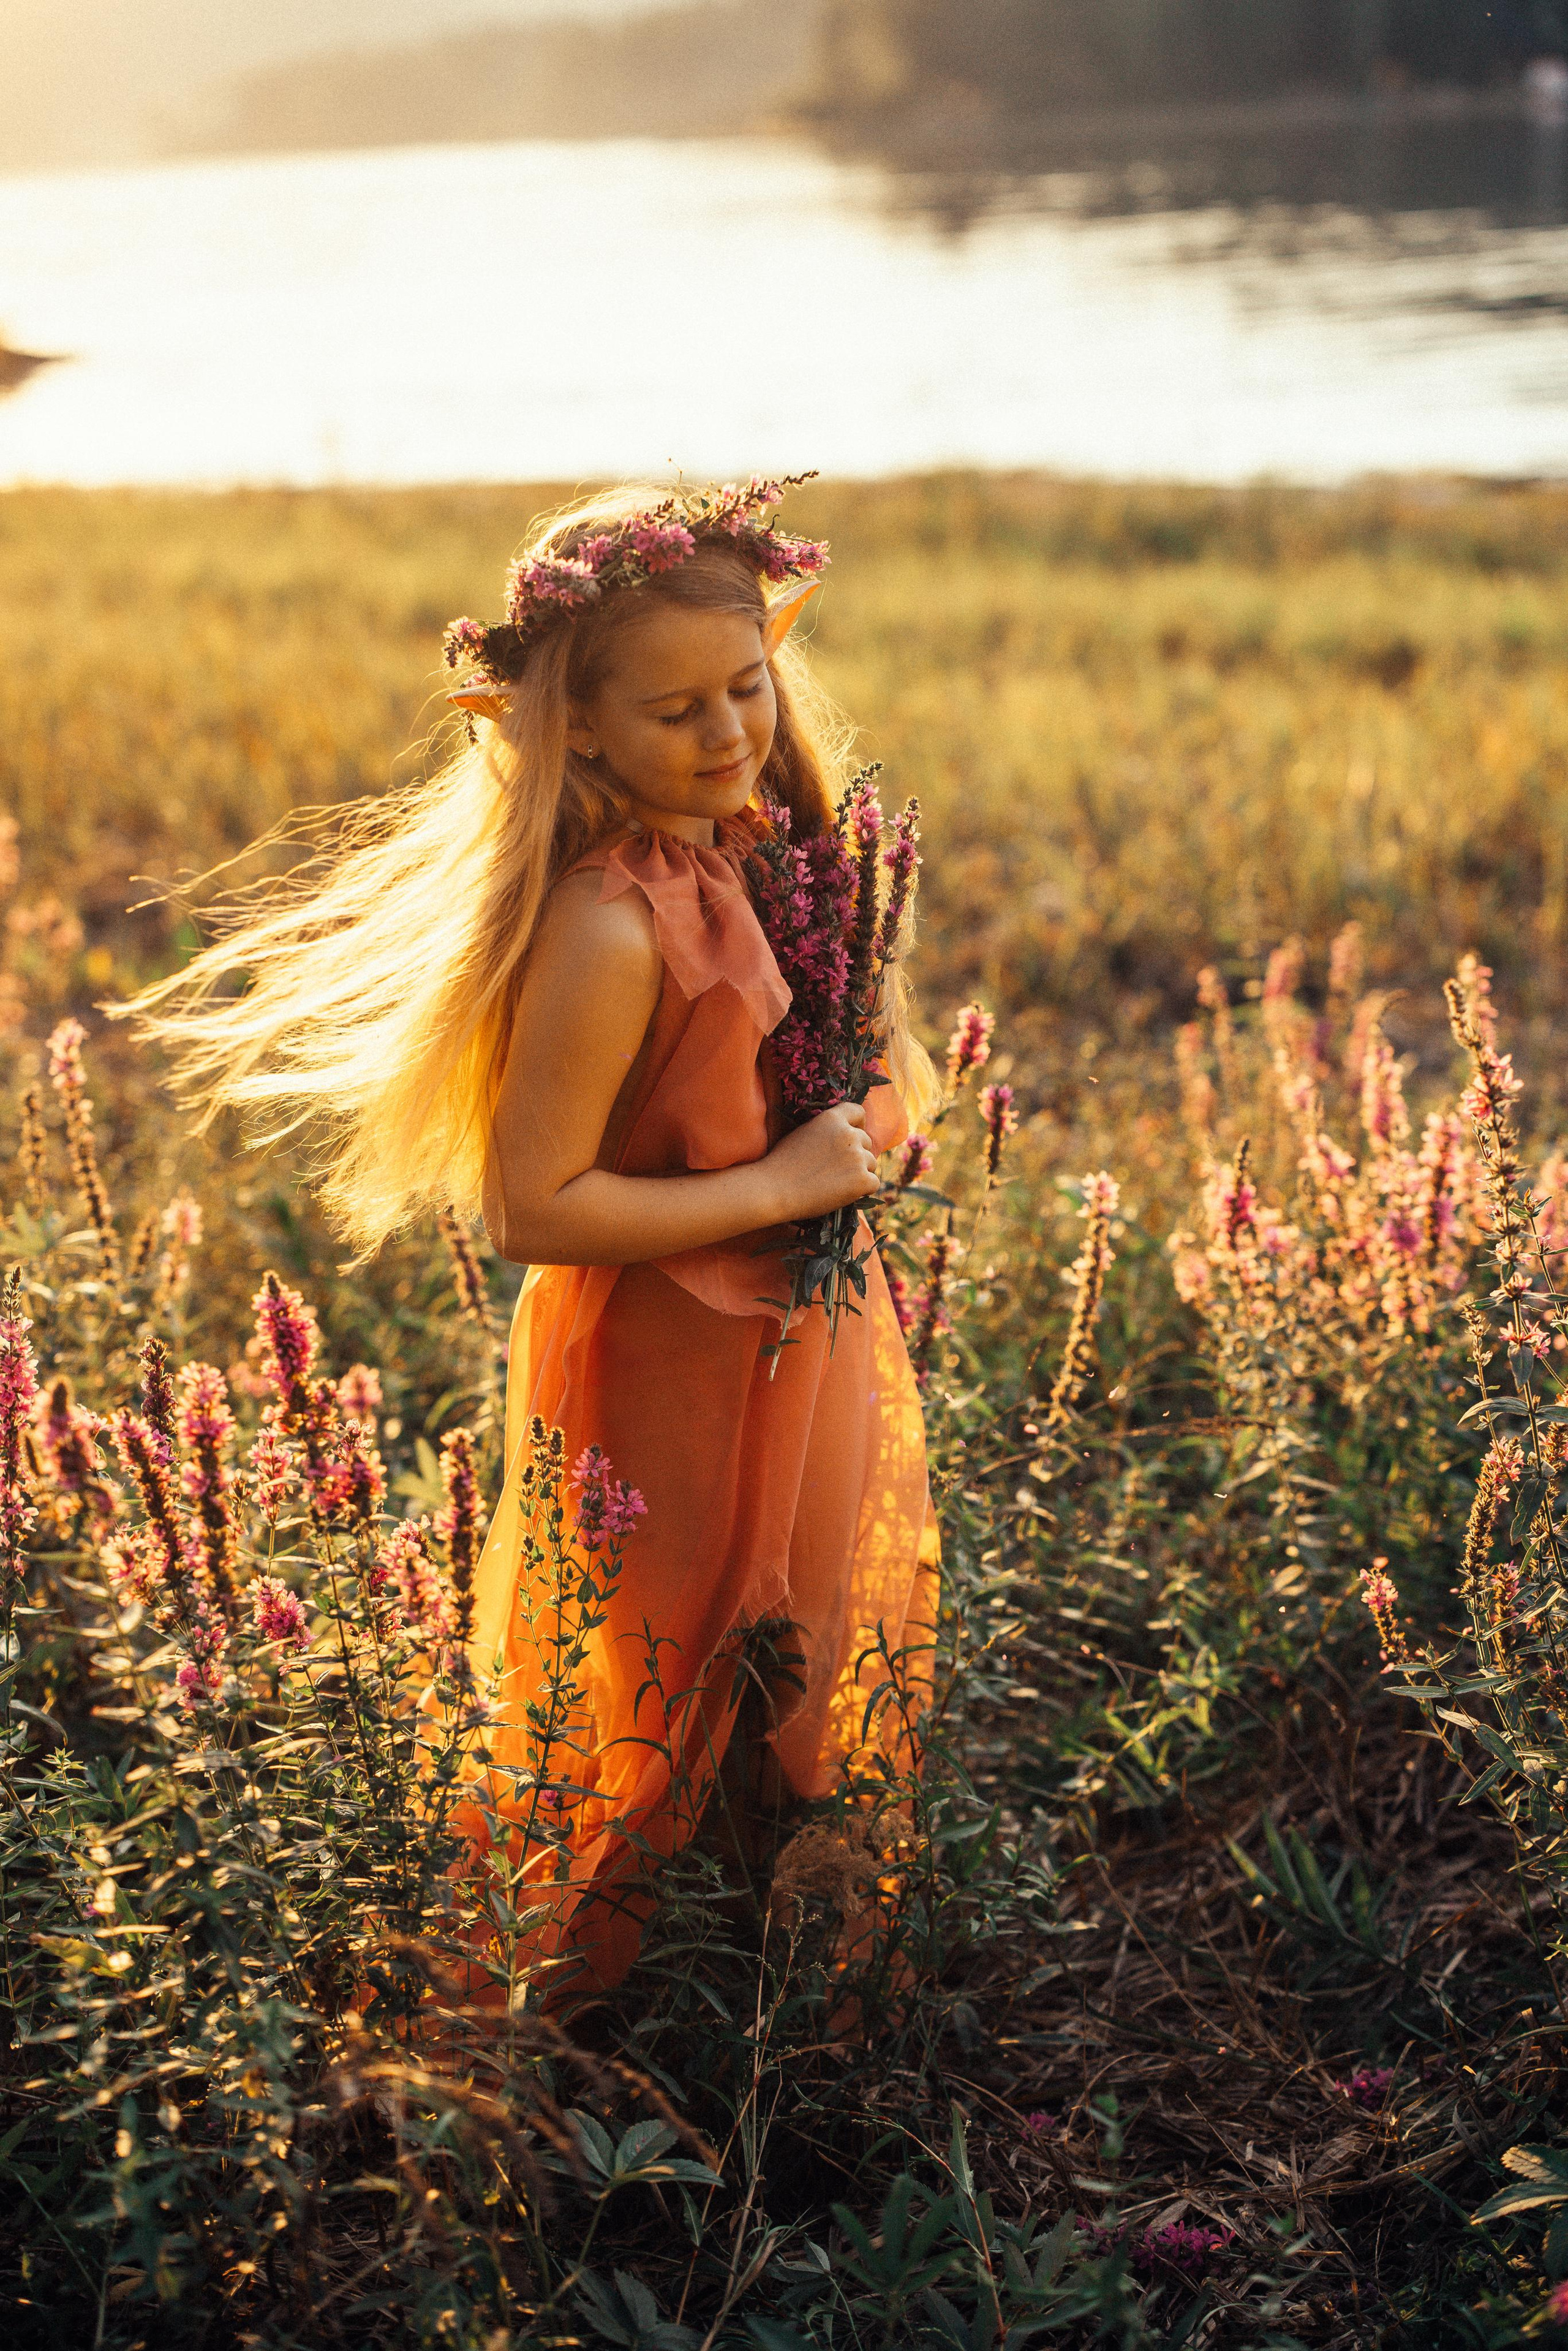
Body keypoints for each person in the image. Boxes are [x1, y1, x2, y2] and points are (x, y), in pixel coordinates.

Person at [126, 476, 940, 1998]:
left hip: (810, 1328)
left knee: (802, 1639)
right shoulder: (606, 923)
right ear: (578, 728)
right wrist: (784, 1187)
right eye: (674, 710)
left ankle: (765, 1976)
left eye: (745, 683)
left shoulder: (777, 856)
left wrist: (858, 1134)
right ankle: (584, 2003)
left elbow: (872, 1082)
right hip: (665, 1356)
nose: (727, 731)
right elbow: (532, 1208)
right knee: (650, 1677)